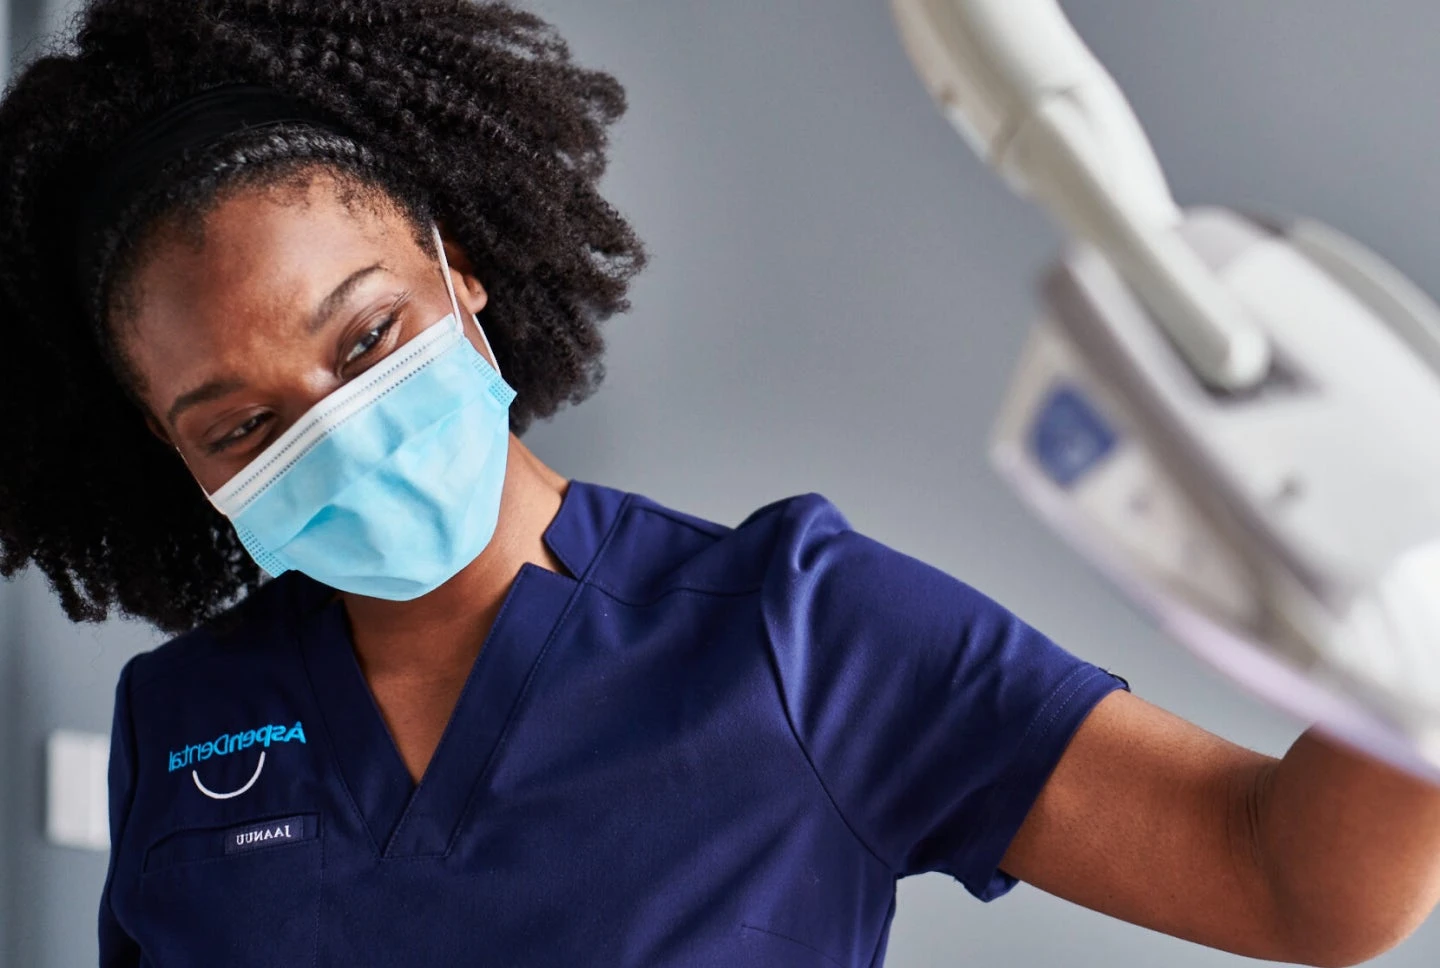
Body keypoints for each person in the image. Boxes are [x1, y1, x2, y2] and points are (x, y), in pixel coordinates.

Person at [0, 1, 1436, 965]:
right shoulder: (185, 723)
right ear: (177, 460)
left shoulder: (797, 631)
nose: (333, 427)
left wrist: (1409, 609)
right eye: (238, 426)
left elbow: (1290, 876)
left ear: (462, 273)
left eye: (367, 334)